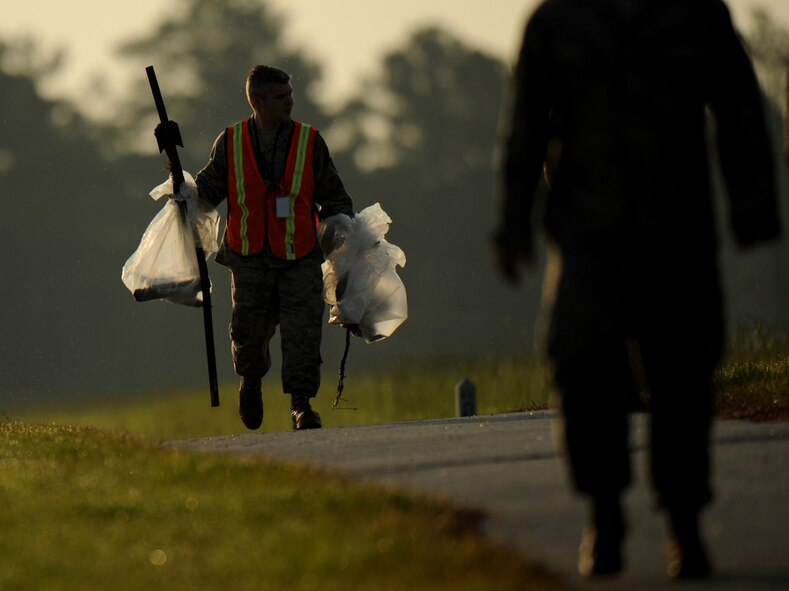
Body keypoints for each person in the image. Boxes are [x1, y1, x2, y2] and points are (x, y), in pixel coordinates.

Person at [493, 0, 782, 581]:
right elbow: (525, 123)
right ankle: (604, 515)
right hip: (586, 236)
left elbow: (739, 107)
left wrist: (755, 206)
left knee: (682, 379)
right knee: (583, 372)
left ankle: (685, 523)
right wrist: (512, 224)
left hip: (678, 233)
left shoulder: (695, 15)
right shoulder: (556, 21)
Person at [193, 65, 354, 431]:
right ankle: (250, 383)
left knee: (303, 334)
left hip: (299, 258)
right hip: (248, 261)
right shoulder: (230, 142)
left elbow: (336, 199)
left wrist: (346, 245)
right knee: (248, 337)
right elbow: (202, 196)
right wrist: (171, 163)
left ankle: (302, 406)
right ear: (257, 100)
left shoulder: (310, 142)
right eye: (282, 97)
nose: (290, 103)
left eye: (290, 95)